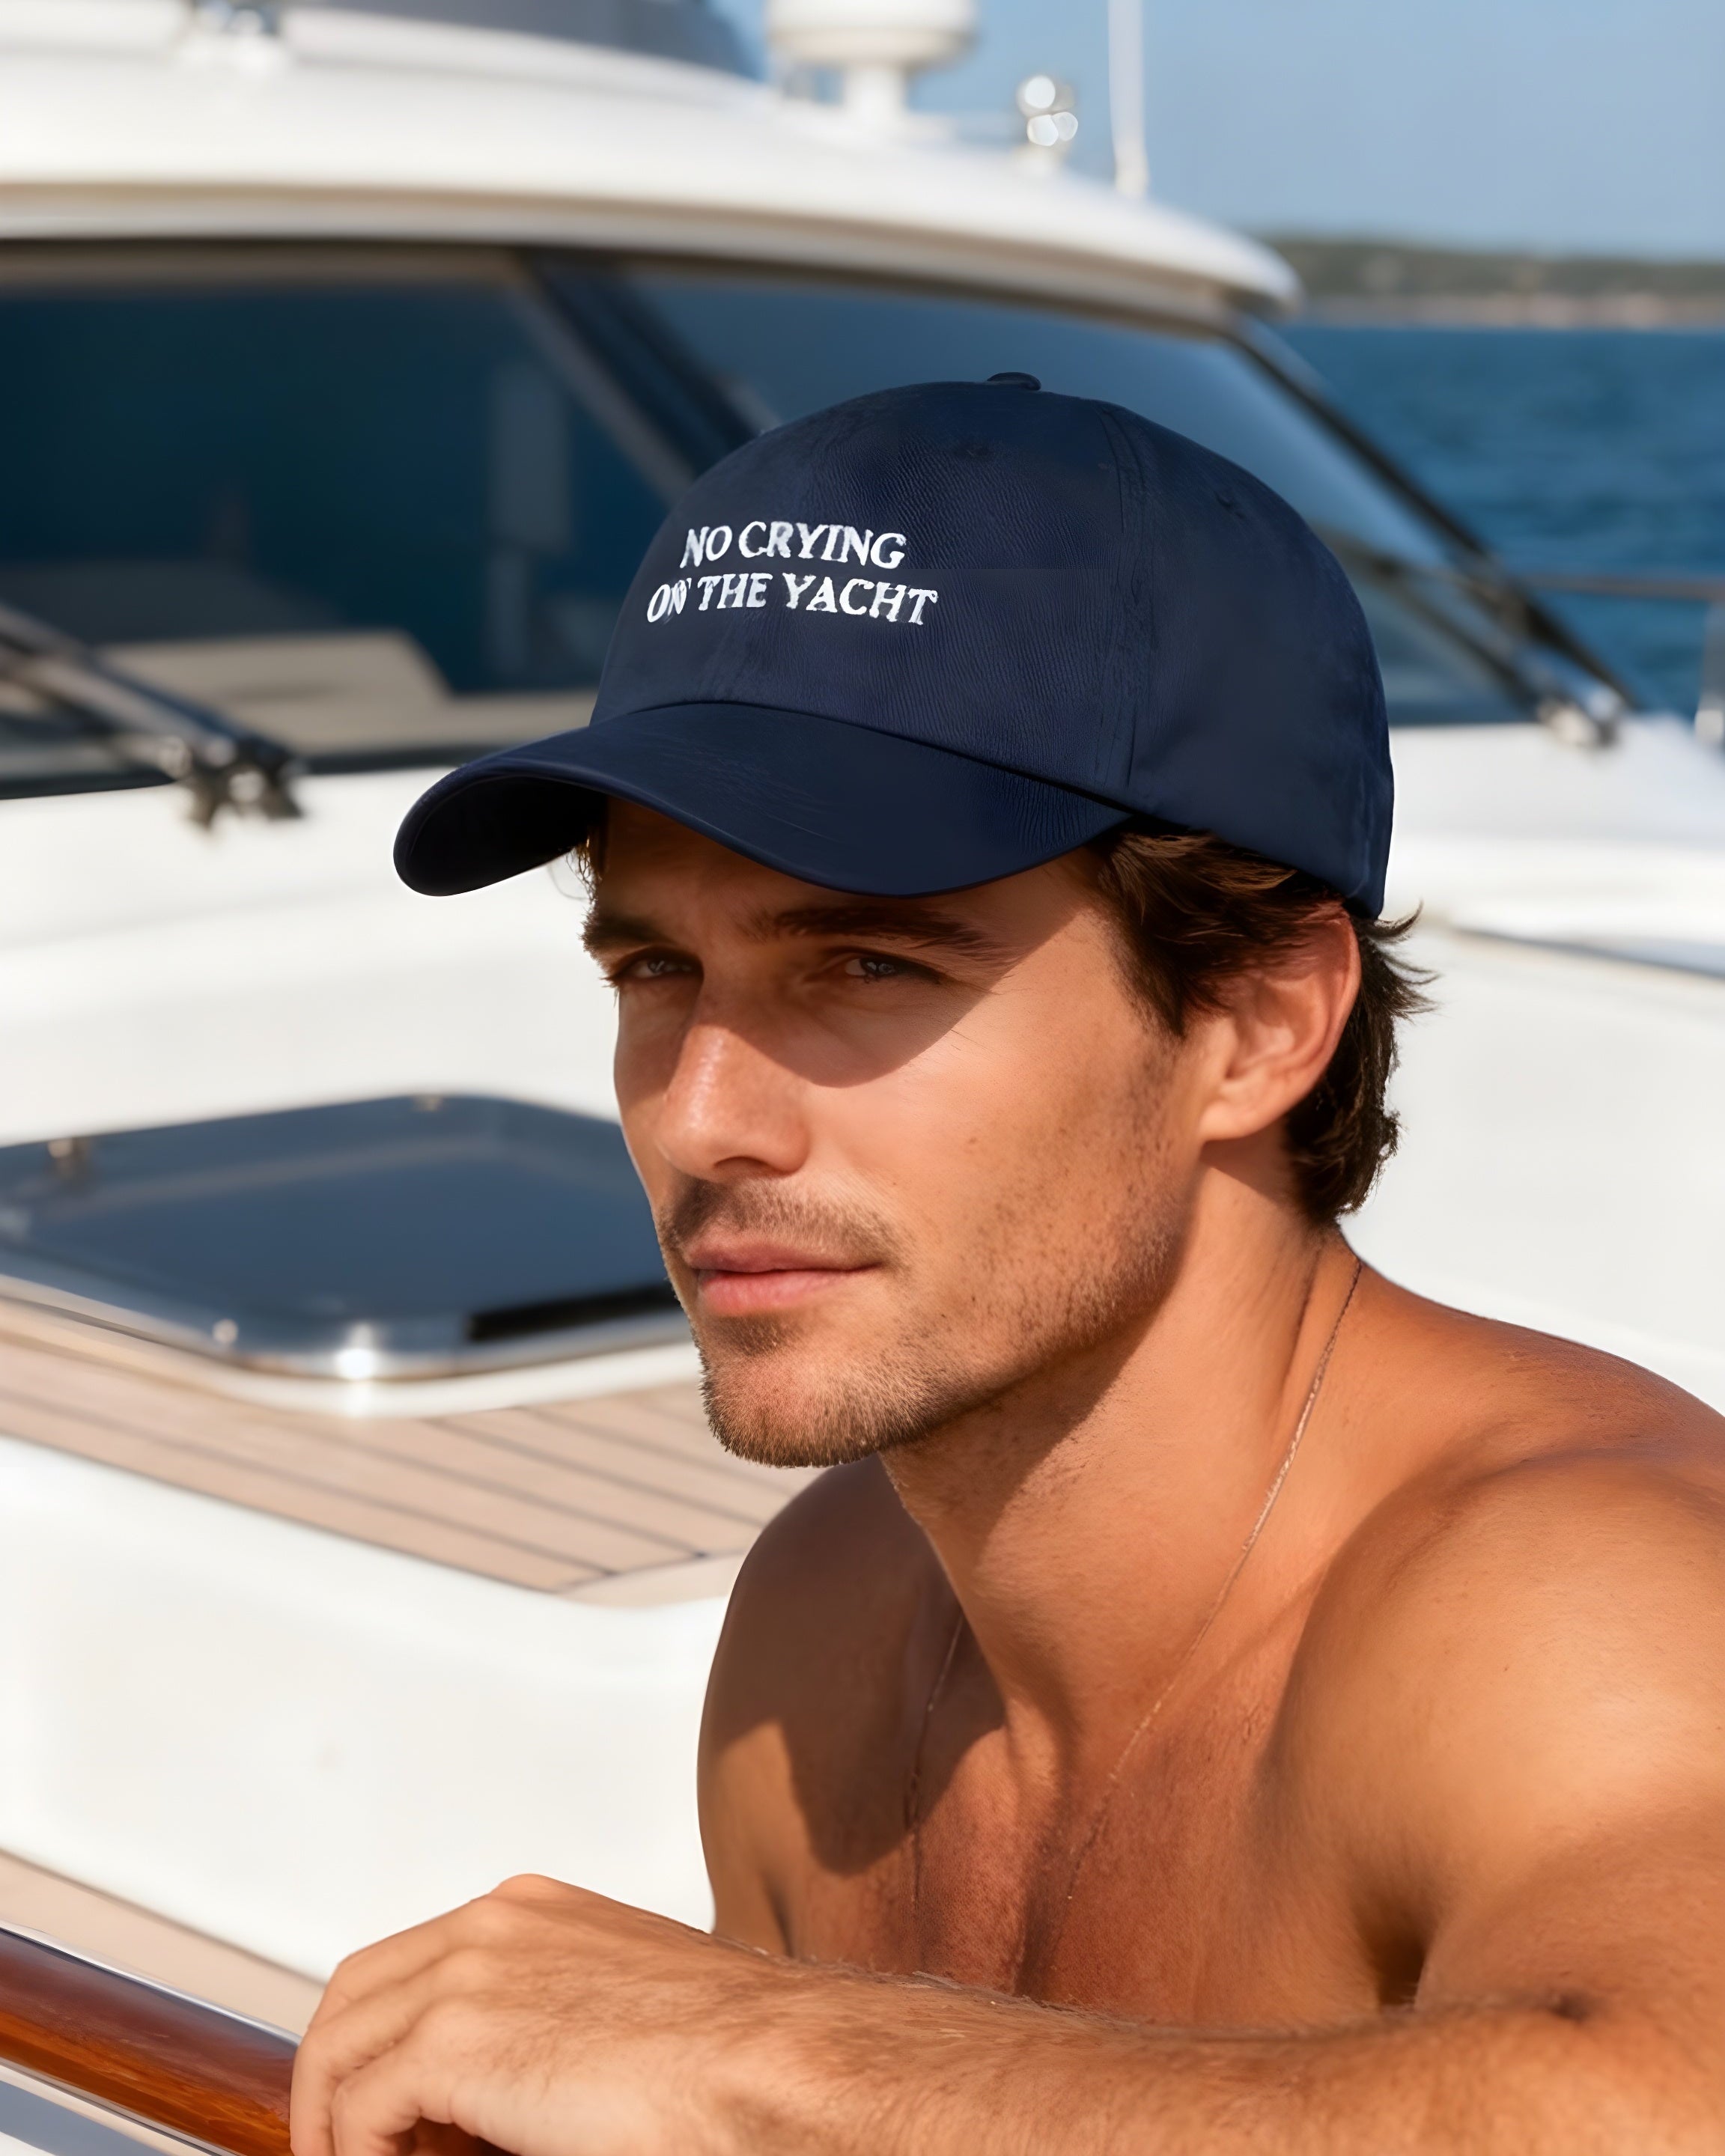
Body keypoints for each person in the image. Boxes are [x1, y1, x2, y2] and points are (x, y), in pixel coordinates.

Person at [291, 378, 1725, 2155]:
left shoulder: (1571, 1594)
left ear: (1256, 1022)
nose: (703, 1119)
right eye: (657, 972)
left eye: (868, 967)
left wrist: (766, 2058)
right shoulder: (825, 1622)